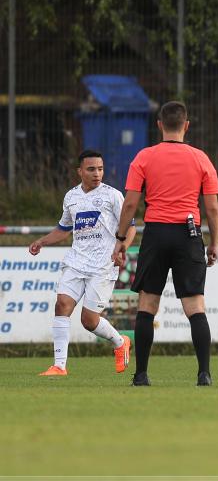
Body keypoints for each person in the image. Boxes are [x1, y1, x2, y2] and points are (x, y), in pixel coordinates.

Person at [112, 101, 218, 387]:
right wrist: (214, 243)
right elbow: (212, 209)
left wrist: (121, 239)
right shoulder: (201, 159)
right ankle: (204, 374)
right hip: (190, 234)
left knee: (147, 305)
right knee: (195, 306)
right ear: (186, 125)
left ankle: (141, 374)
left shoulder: (145, 157)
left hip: (157, 233)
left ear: (159, 125)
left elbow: (131, 204)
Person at [29, 150, 136, 376]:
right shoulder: (71, 197)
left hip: (103, 264)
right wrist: (42, 241)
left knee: (89, 321)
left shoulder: (112, 196)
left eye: (100, 169)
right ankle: (59, 366)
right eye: (91, 169)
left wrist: (122, 246)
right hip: (76, 261)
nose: (97, 174)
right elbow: (64, 229)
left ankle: (120, 342)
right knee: (62, 305)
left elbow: (131, 226)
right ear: (80, 171)